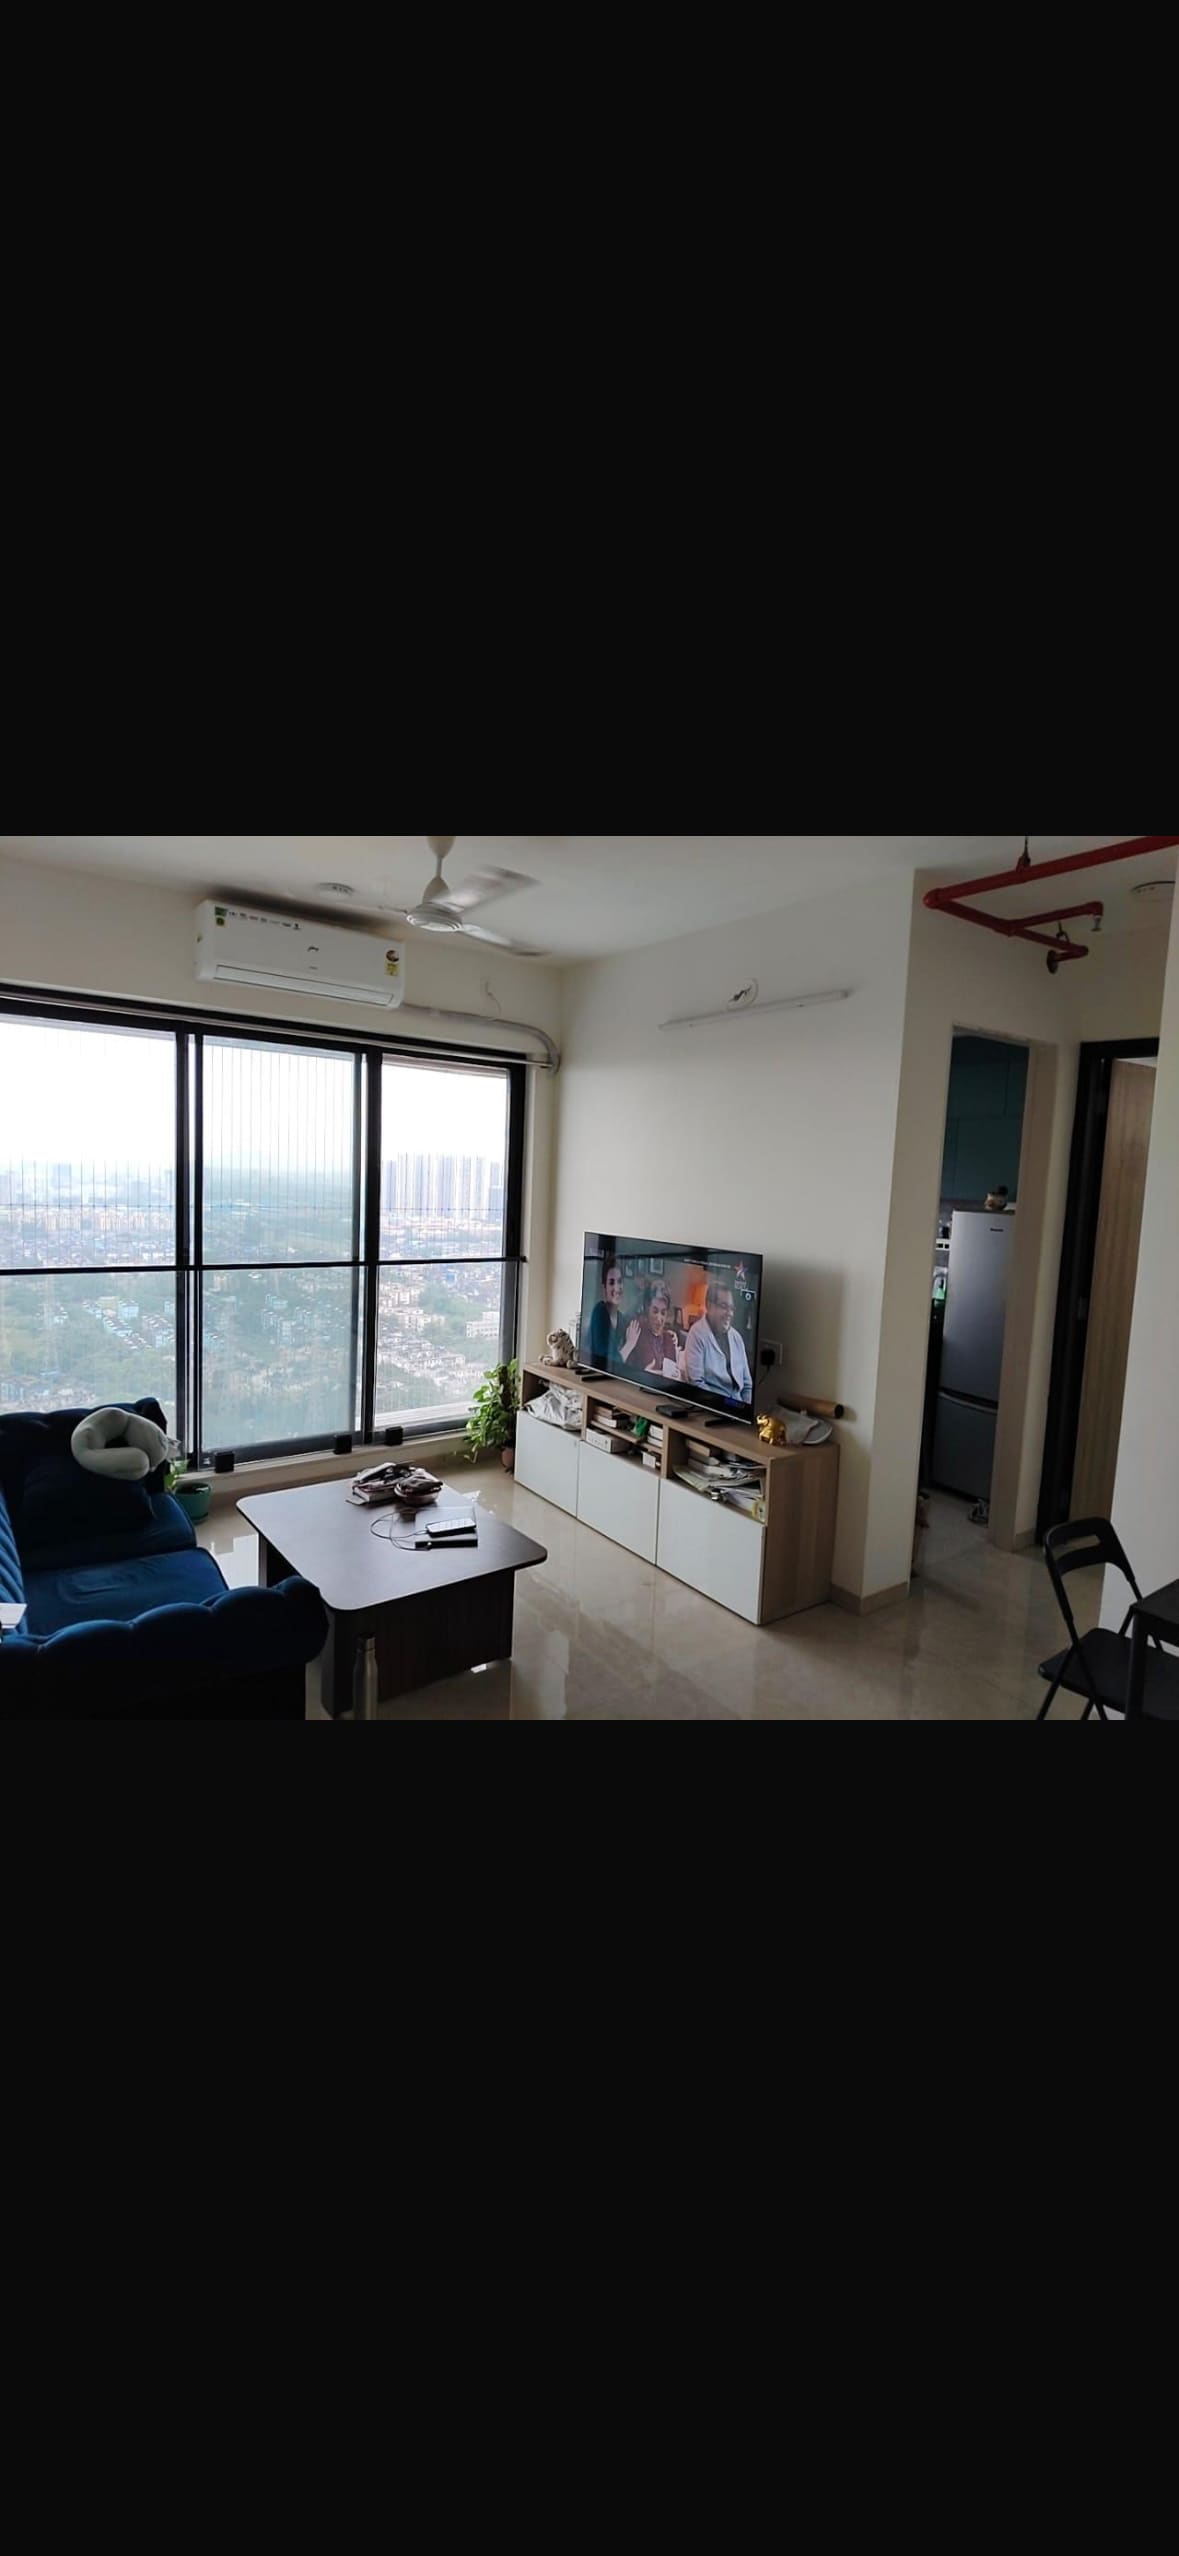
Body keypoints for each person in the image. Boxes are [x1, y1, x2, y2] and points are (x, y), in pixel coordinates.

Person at [684, 1282, 754, 1407]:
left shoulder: (737, 1338)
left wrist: (744, 1409)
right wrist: (723, 1406)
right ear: (709, 1306)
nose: (729, 1313)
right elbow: (696, 1382)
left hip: (738, 1408)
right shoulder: (697, 1333)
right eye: (724, 1306)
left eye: (731, 1308)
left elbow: (747, 1385)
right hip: (711, 1406)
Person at [618, 1280, 682, 1380]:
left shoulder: (669, 1338)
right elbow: (623, 1372)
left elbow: (673, 1376)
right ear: (647, 1309)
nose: (659, 1319)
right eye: (655, 1311)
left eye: (663, 1313)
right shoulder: (635, 1331)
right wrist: (643, 1375)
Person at [588, 1258, 626, 1368]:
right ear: (604, 1287)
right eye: (611, 1283)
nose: (617, 1288)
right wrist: (629, 1345)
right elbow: (606, 1360)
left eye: (620, 1281)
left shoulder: (622, 1319)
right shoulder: (599, 1311)